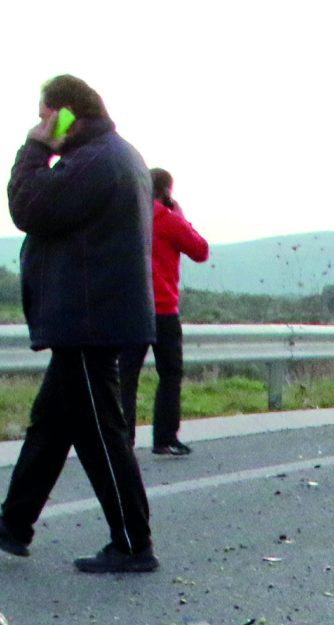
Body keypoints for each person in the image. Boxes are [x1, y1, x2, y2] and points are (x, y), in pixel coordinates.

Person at [0, 74, 159, 573]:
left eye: (45, 114)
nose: (41, 123)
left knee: (100, 433)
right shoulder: (115, 154)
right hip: (93, 316)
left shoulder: (95, 160)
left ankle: (133, 544)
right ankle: (15, 522)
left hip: (89, 321)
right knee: (51, 423)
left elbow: (28, 208)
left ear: (65, 112)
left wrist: (35, 147)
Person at [127, 168, 209, 456]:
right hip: (163, 309)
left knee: (126, 377)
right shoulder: (168, 220)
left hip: (130, 309)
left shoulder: (128, 217)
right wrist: (181, 217)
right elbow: (200, 250)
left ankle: (122, 441)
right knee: (170, 374)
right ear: (167, 192)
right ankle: (165, 438)